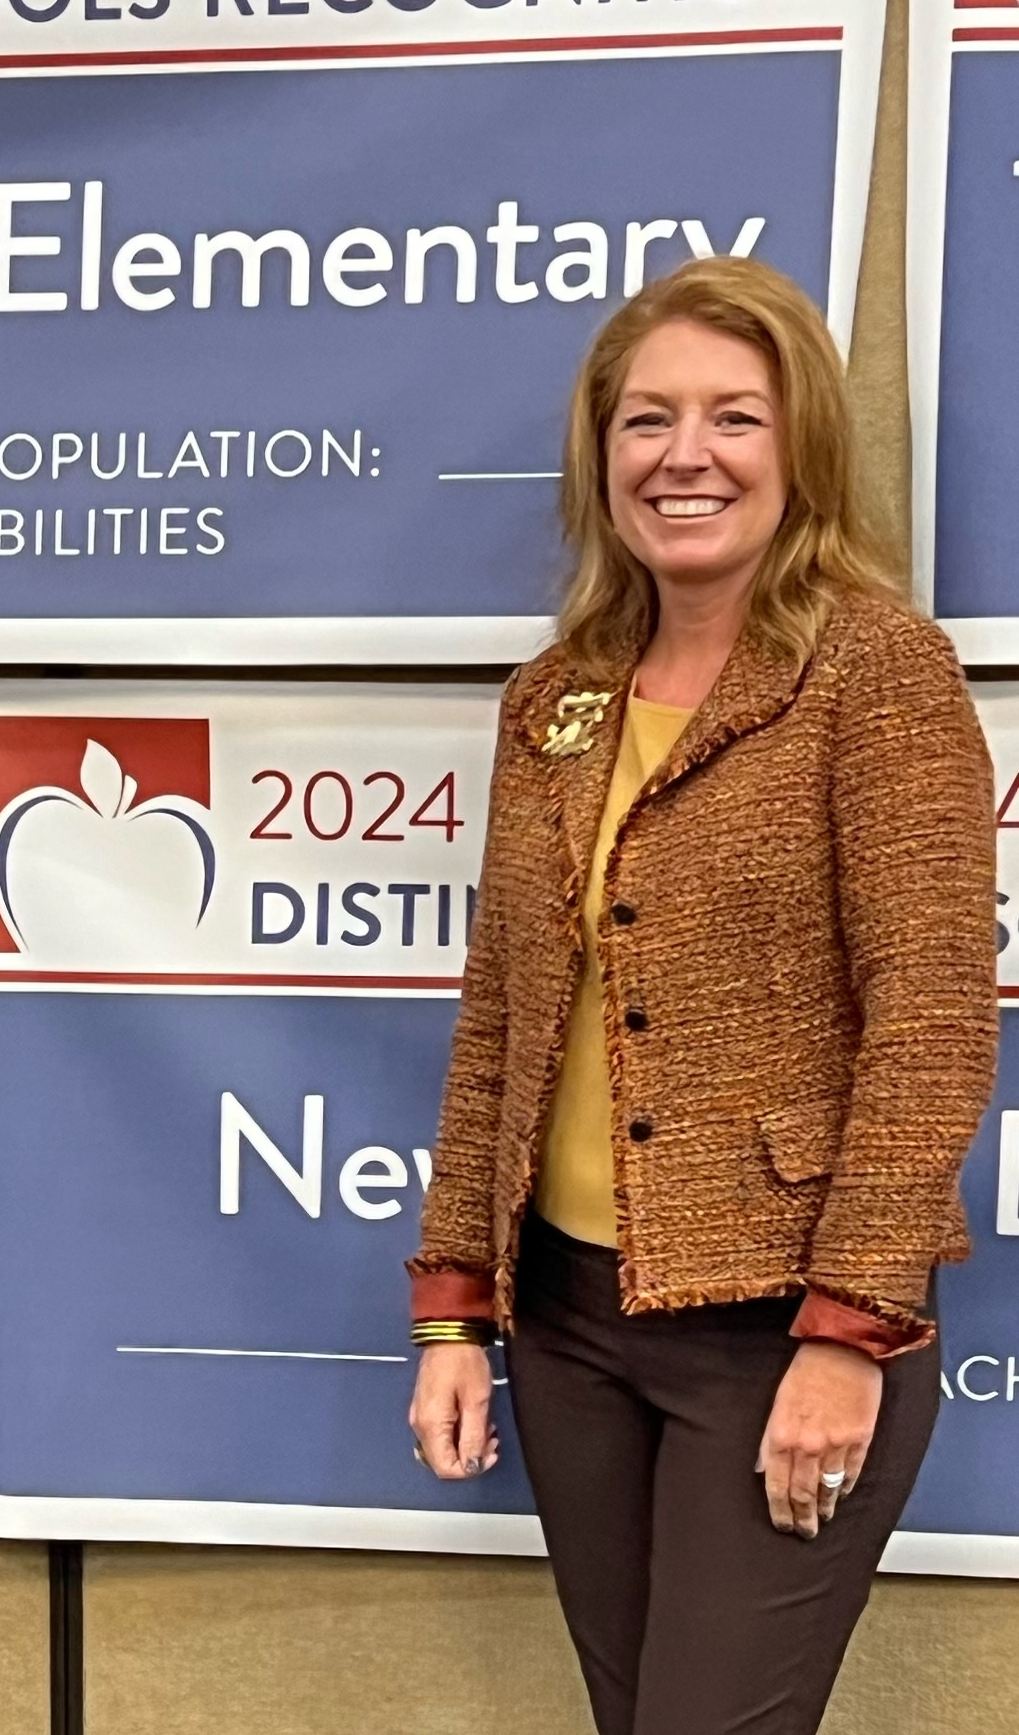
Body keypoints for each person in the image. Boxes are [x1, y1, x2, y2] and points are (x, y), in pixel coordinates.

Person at [406, 259, 998, 1733]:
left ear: (795, 448)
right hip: (568, 1321)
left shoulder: (876, 670)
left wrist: (848, 1327)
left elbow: (930, 1017)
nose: (684, 454)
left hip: (774, 1327)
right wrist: (452, 1310)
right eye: (644, 419)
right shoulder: (557, 696)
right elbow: (499, 1018)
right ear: (597, 454)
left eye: (733, 416)